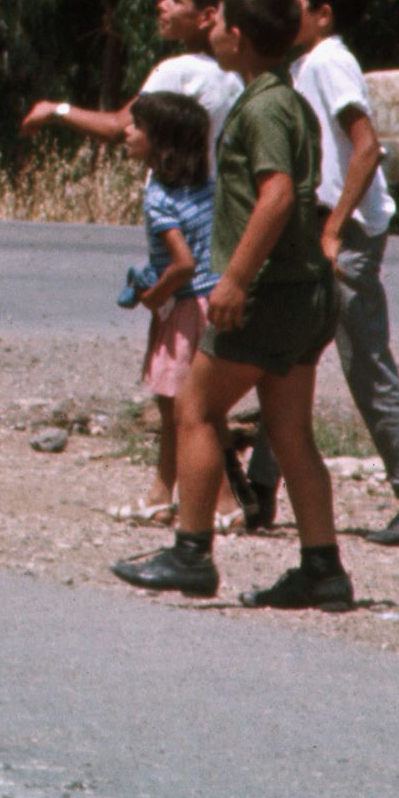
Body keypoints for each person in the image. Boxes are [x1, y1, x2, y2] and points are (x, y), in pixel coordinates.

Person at [115, 0, 351, 608]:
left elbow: (274, 194)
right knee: (290, 429)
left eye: (218, 21)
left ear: (237, 37)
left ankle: (191, 552)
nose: (211, 28)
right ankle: (323, 568)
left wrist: (236, 278)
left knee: (195, 408)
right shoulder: (286, 100)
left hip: (266, 293)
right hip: (302, 292)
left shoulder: (265, 108)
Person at [285, 0, 399, 547]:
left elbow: (366, 148)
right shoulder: (312, 62)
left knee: (365, 364)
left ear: (322, 14)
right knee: (292, 353)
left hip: (345, 232)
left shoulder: (330, 62)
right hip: (331, 225)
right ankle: (260, 486)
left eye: (293, 4)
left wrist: (332, 229)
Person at [124, 89, 220, 526]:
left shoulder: (158, 198)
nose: (126, 133)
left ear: (161, 145)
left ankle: (216, 504)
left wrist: (153, 295)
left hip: (183, 312)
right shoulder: (208, 190)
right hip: (211, 305)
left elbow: (183, 264)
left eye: (137, 127)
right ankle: (163, 495)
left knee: (182, 412)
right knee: (194, 409)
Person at [25, 0, 238, 150]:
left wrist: (55, 111)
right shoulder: (239, 72)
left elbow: (116, 128)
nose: (161, 4)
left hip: (179, 196)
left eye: (175, 1)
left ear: (207, 17)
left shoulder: (178, 71)